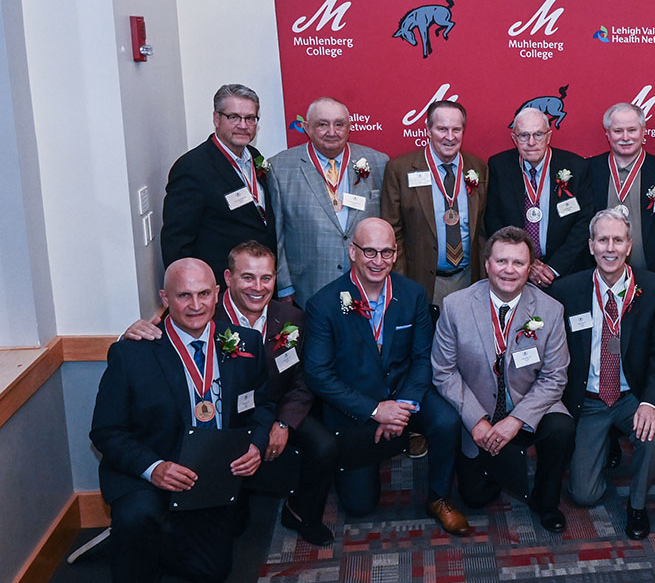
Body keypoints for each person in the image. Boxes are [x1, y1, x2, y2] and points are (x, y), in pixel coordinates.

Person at [121, 241, 338, 546]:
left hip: (273, 409)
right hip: (226, 418)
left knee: (325, 446)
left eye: (267, 278)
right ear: (228, 279)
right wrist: (129, 333)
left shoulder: (292, 319)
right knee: (233, 528)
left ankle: (302, 513)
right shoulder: (203, 313)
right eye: (248, 277)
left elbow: (303, 379)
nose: (258, 287)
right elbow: (162, 337)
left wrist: (284, 423)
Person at [90, 258, 274, 582]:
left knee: (212, 572)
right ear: (164, 298)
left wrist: (258, 445)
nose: (195, 305)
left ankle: (151, 543)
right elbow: (106, 431)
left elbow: (264, 403)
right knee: (138, 519)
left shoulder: (246, 343)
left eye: (204, 294)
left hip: (211, 474)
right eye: (183, 296)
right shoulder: (133, 352)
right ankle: (133, 542)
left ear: (218, 293)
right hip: (149, 470)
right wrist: (154, 468)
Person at [304, 218, 471, 535]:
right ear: (352, 252)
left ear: (395, 254)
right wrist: (377, 410)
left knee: (447, 419)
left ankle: (439, 497)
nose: (377, 261)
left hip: (405, 392)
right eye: (369, 252)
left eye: (385, 252)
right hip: (357, 406)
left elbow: (423, 357)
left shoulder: (413, 294)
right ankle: (382, 446)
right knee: (359, 505)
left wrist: (403, 405)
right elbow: (318, 375)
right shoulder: (323, 304)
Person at [431, 226, 574, 532]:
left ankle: (546, 502)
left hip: (529, 405)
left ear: (529, 267)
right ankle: (499, 464)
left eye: (518, 263)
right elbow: (444, 371)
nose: (509, 270)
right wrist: (476, 420)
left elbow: (554, 377)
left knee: (561, 427)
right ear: (487, 264)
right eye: (502, 261)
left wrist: (517, 420)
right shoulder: (456, 306)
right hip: (480, 412)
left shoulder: (550, 310)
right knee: (475, 498)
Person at [549, 207, 655, 539]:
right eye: (603, 240)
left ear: (629, 246)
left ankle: (636, 504)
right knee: (584, 495)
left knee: (653, 436)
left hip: (631, 395)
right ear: (590, 245)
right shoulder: (567, 291)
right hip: (588, 400)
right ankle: (605, 443)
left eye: (617, 240)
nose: (610, 248)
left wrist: (650, 403)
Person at [269, 96, 389, 309]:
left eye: (339, 124)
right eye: (322, 124)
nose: (332, 132)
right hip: (308, 286)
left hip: (366, 281)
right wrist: (285, 287)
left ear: (349, 127)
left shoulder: (378, 162)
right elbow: (277, 235)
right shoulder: (280, 168)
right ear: (306, 127)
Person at [161, 84, 276, 284]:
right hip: (220, 287)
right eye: (233, 117)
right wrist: (193, 292)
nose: (243, 125)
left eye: (250, 118)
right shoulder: (192, 168)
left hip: (260, 282)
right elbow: (177, 241)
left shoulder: (255, 157)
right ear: (216, 119)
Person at [381, 100, 488, 306]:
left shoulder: (478, 168)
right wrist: (402, 284)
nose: (450, 137)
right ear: (428, 130)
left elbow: (484, 228)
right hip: (420, 281)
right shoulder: (400, 169)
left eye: (456, 129)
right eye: (442, 129)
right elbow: (392, 233)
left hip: (469, 280)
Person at [485, 107, 592, 288]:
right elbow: (493, 220)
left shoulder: (576, 167)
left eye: (538, 135)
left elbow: (584, 222)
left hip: (566, 273)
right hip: (514, 272)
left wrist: (554, 268)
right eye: (524, 135)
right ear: (514, 139)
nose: (531, 142)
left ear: (549, 137)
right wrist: (528, 263)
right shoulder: (499, 167)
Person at [588, 103, 655, 290]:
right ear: (607, 134)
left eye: (632, 130)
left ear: (643, 132)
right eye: (618, 131)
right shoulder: (591, 169)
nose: (625, 137)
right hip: (600, 278)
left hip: (654, 277)